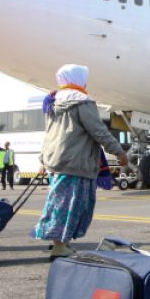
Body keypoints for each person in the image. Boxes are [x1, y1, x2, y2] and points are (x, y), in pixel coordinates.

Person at [31, 64, 128, 258]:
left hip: (56, 161)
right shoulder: (82, 102)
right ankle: (60, 246)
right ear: (78, 79)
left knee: (59, 203)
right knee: (72, 205)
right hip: (76, 162)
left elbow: (49, 134)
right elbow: (98, 130)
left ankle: (61, 242)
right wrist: (118, 151)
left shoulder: (52, 101)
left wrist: (43, 159)